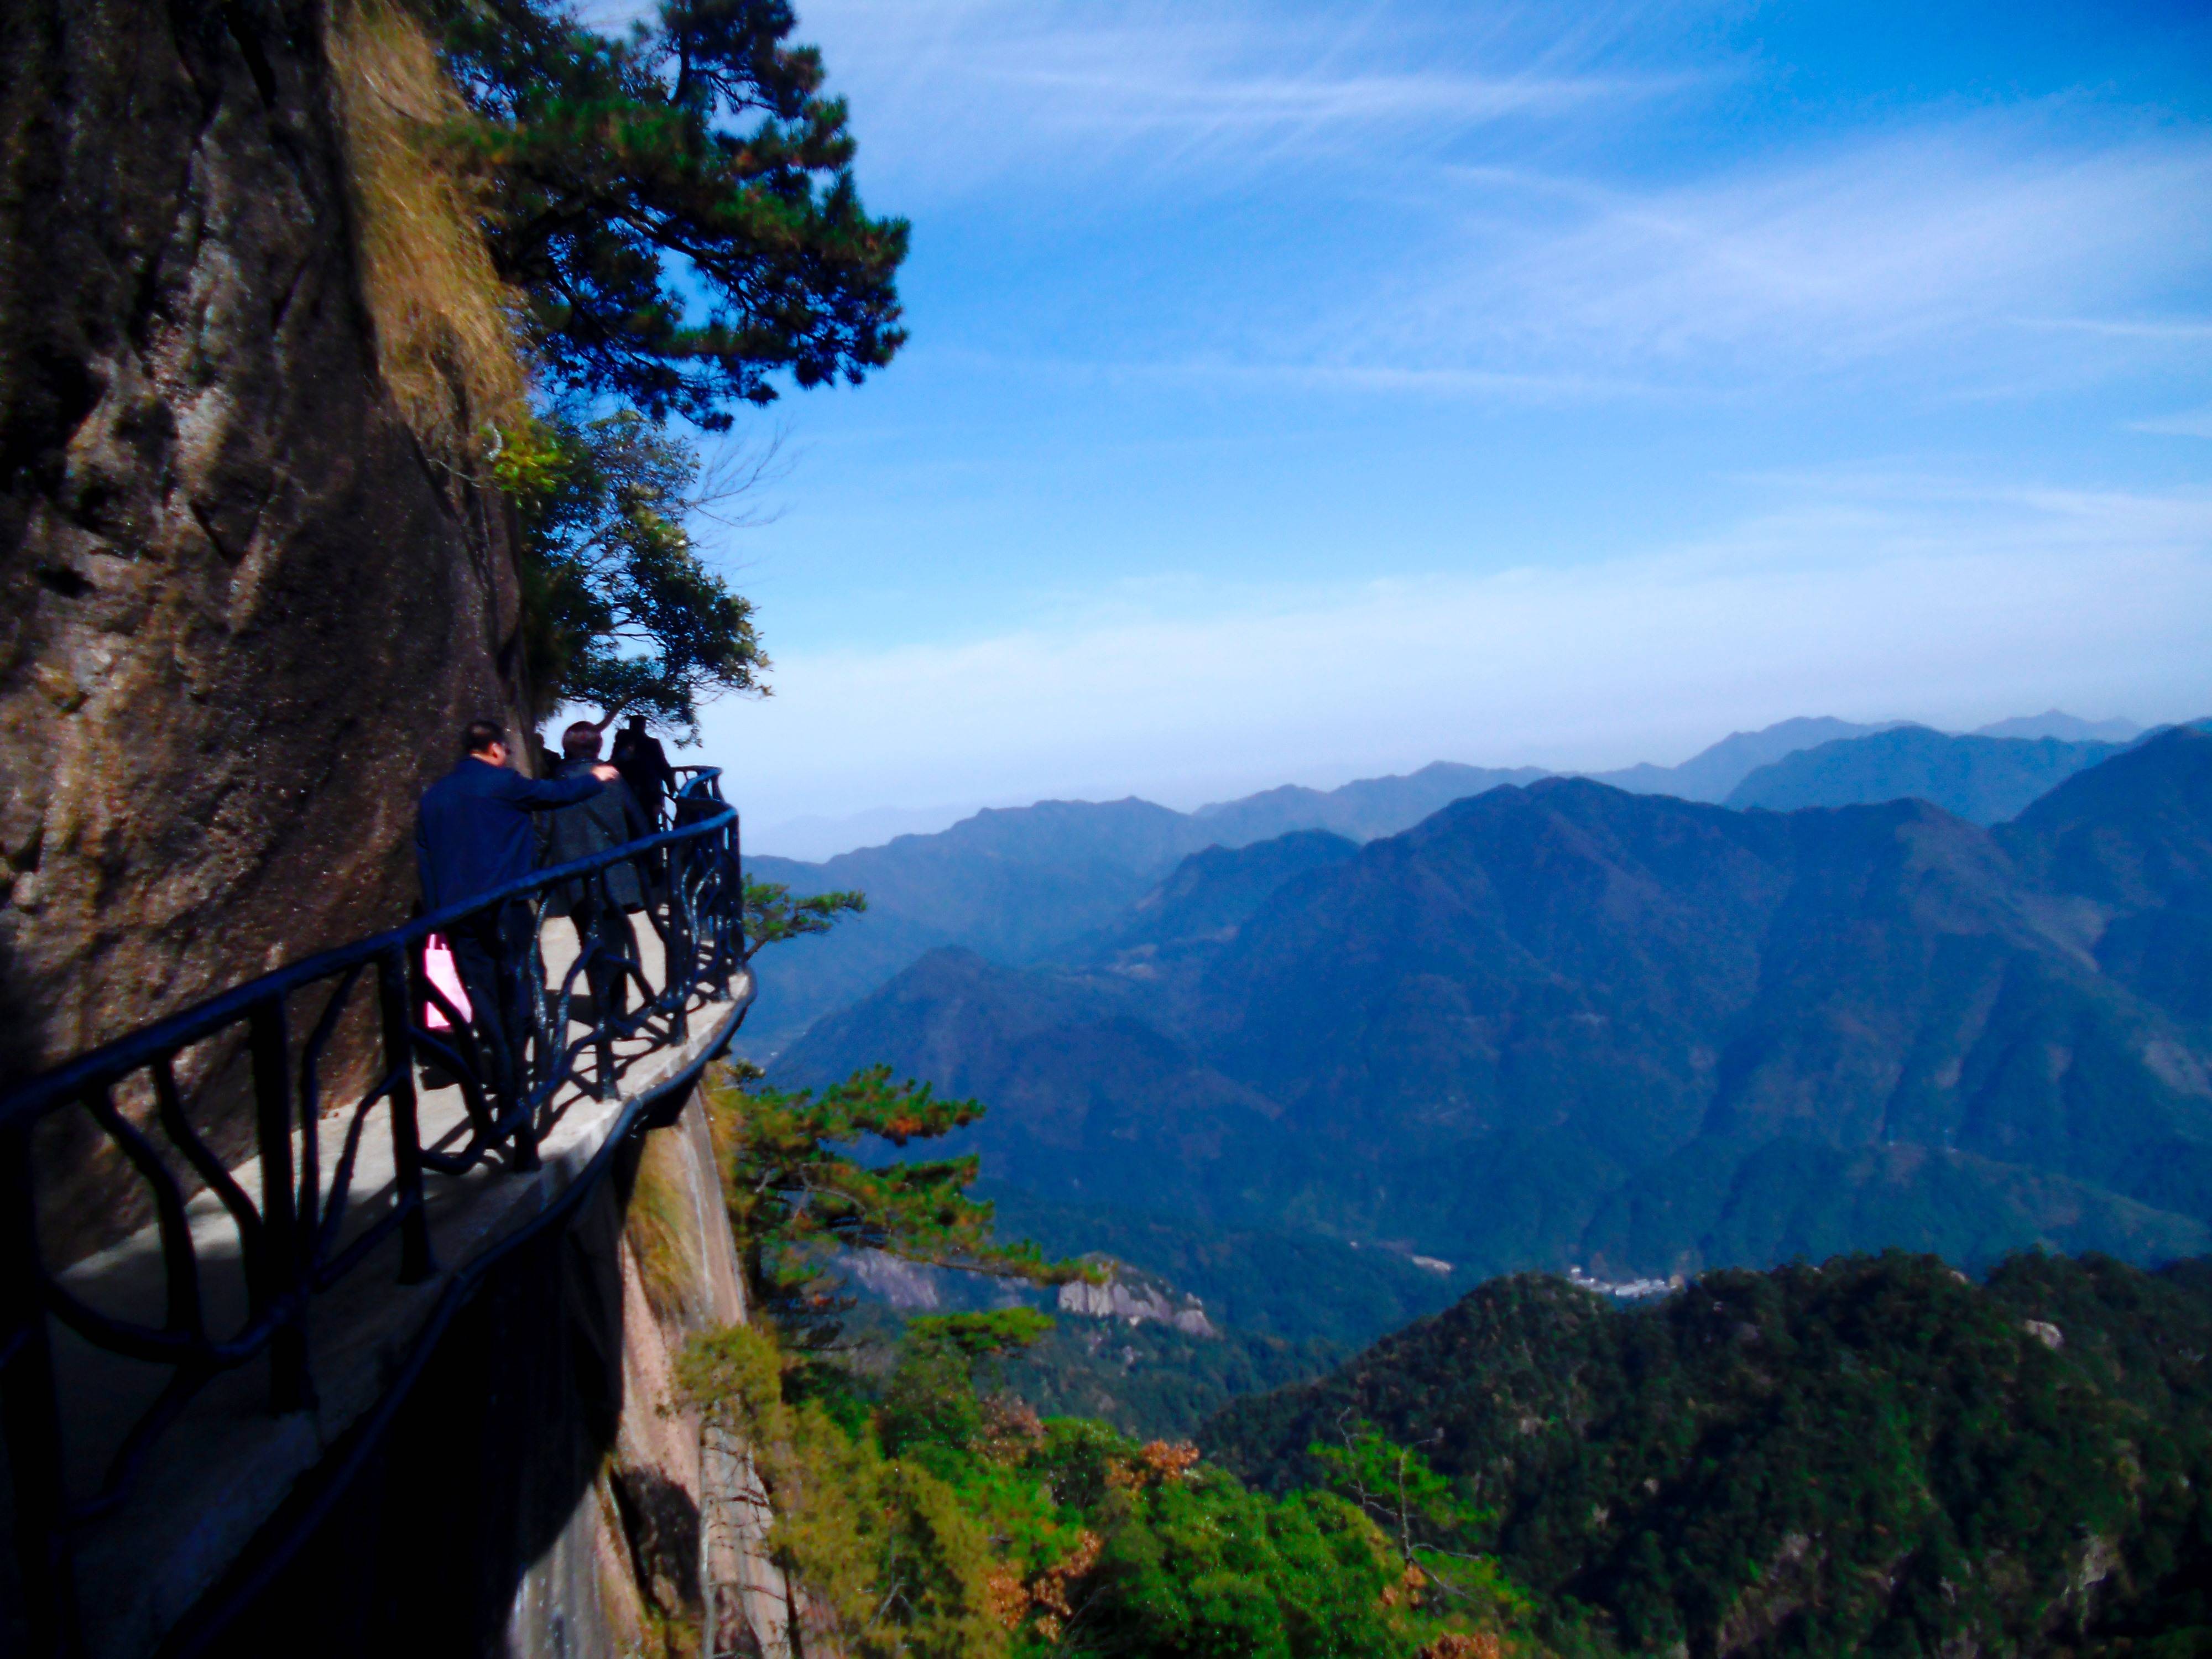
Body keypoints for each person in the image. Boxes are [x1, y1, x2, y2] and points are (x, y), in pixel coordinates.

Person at [416, 718, 618, 1118]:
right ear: (494, 748)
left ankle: (503, 1064)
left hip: (457, 911)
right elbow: (554, 794)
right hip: (504, 905)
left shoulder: (434, 797)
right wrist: (596, 777)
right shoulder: (502, 784)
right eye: (506, 749)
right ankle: (520, 1070)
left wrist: (437, 915)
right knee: (524, 980)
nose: (507, 755)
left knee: (482, 989)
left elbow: (426, 859)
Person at [540, 722, 653, 1089]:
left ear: (566, 747)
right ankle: (618, 1014)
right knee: (618, 939)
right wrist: (651, 865)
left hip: (575, 880)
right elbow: (639, 822)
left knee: (590, 942)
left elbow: (542, 834)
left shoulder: (553, 785)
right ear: (599, 745)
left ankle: (603, 1013)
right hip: (616, 873)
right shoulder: (612, 779)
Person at [610, 714, 678, 826]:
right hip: (646, 791)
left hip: (632, 790)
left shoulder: (622, 744)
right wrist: (671, 786)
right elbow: (663, 766)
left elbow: (663, 766)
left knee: (633, 824)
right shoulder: (651, 744)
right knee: (648, 824)